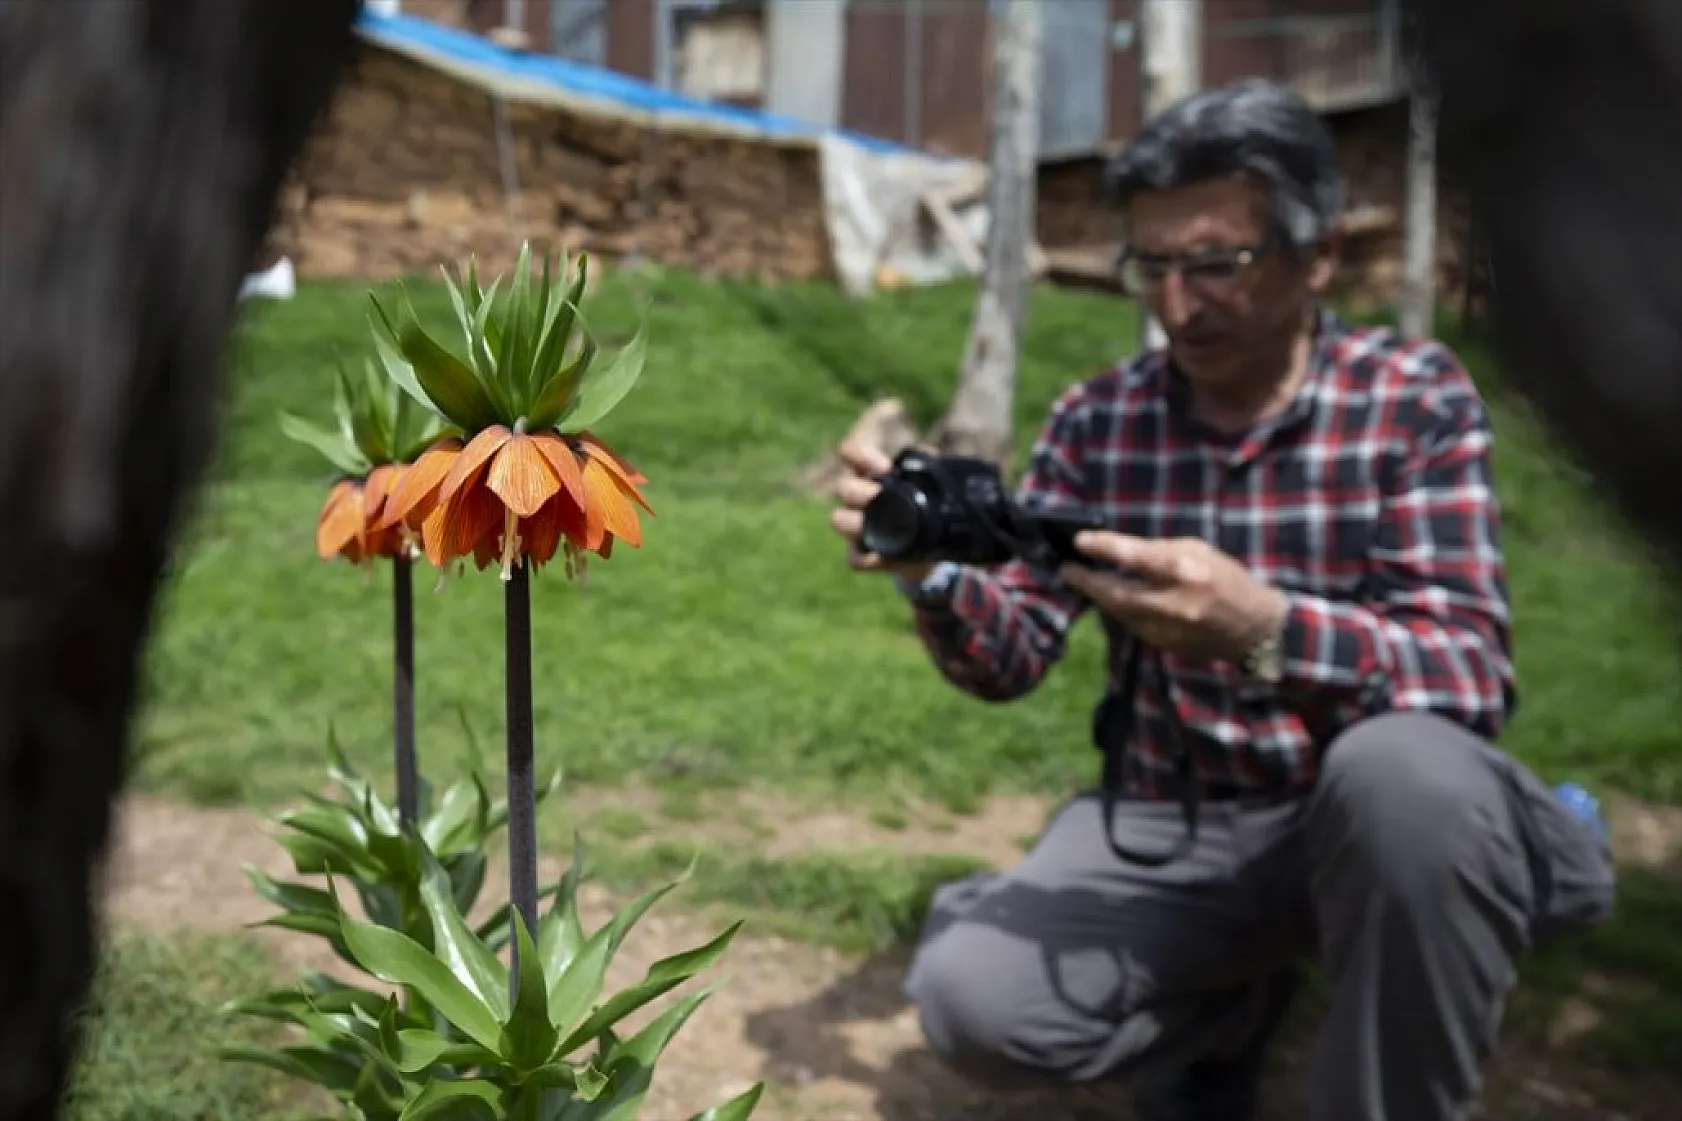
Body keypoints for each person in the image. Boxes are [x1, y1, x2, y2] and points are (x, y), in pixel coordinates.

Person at [827, 78, 1616, 1121]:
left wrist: (1266, 632)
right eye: (1149, 266)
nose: (1174, 304)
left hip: (1368, 814)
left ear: (1317, 255)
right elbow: (1010, 654)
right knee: (977, 1002)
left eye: (1214, 264)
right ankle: (1232, 1005)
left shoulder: (1410, 399)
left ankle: (1514, 891)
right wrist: (930, 571)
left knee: (1405, 783)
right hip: (1178, 818)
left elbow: (1467, 675)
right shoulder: (1100, 419)